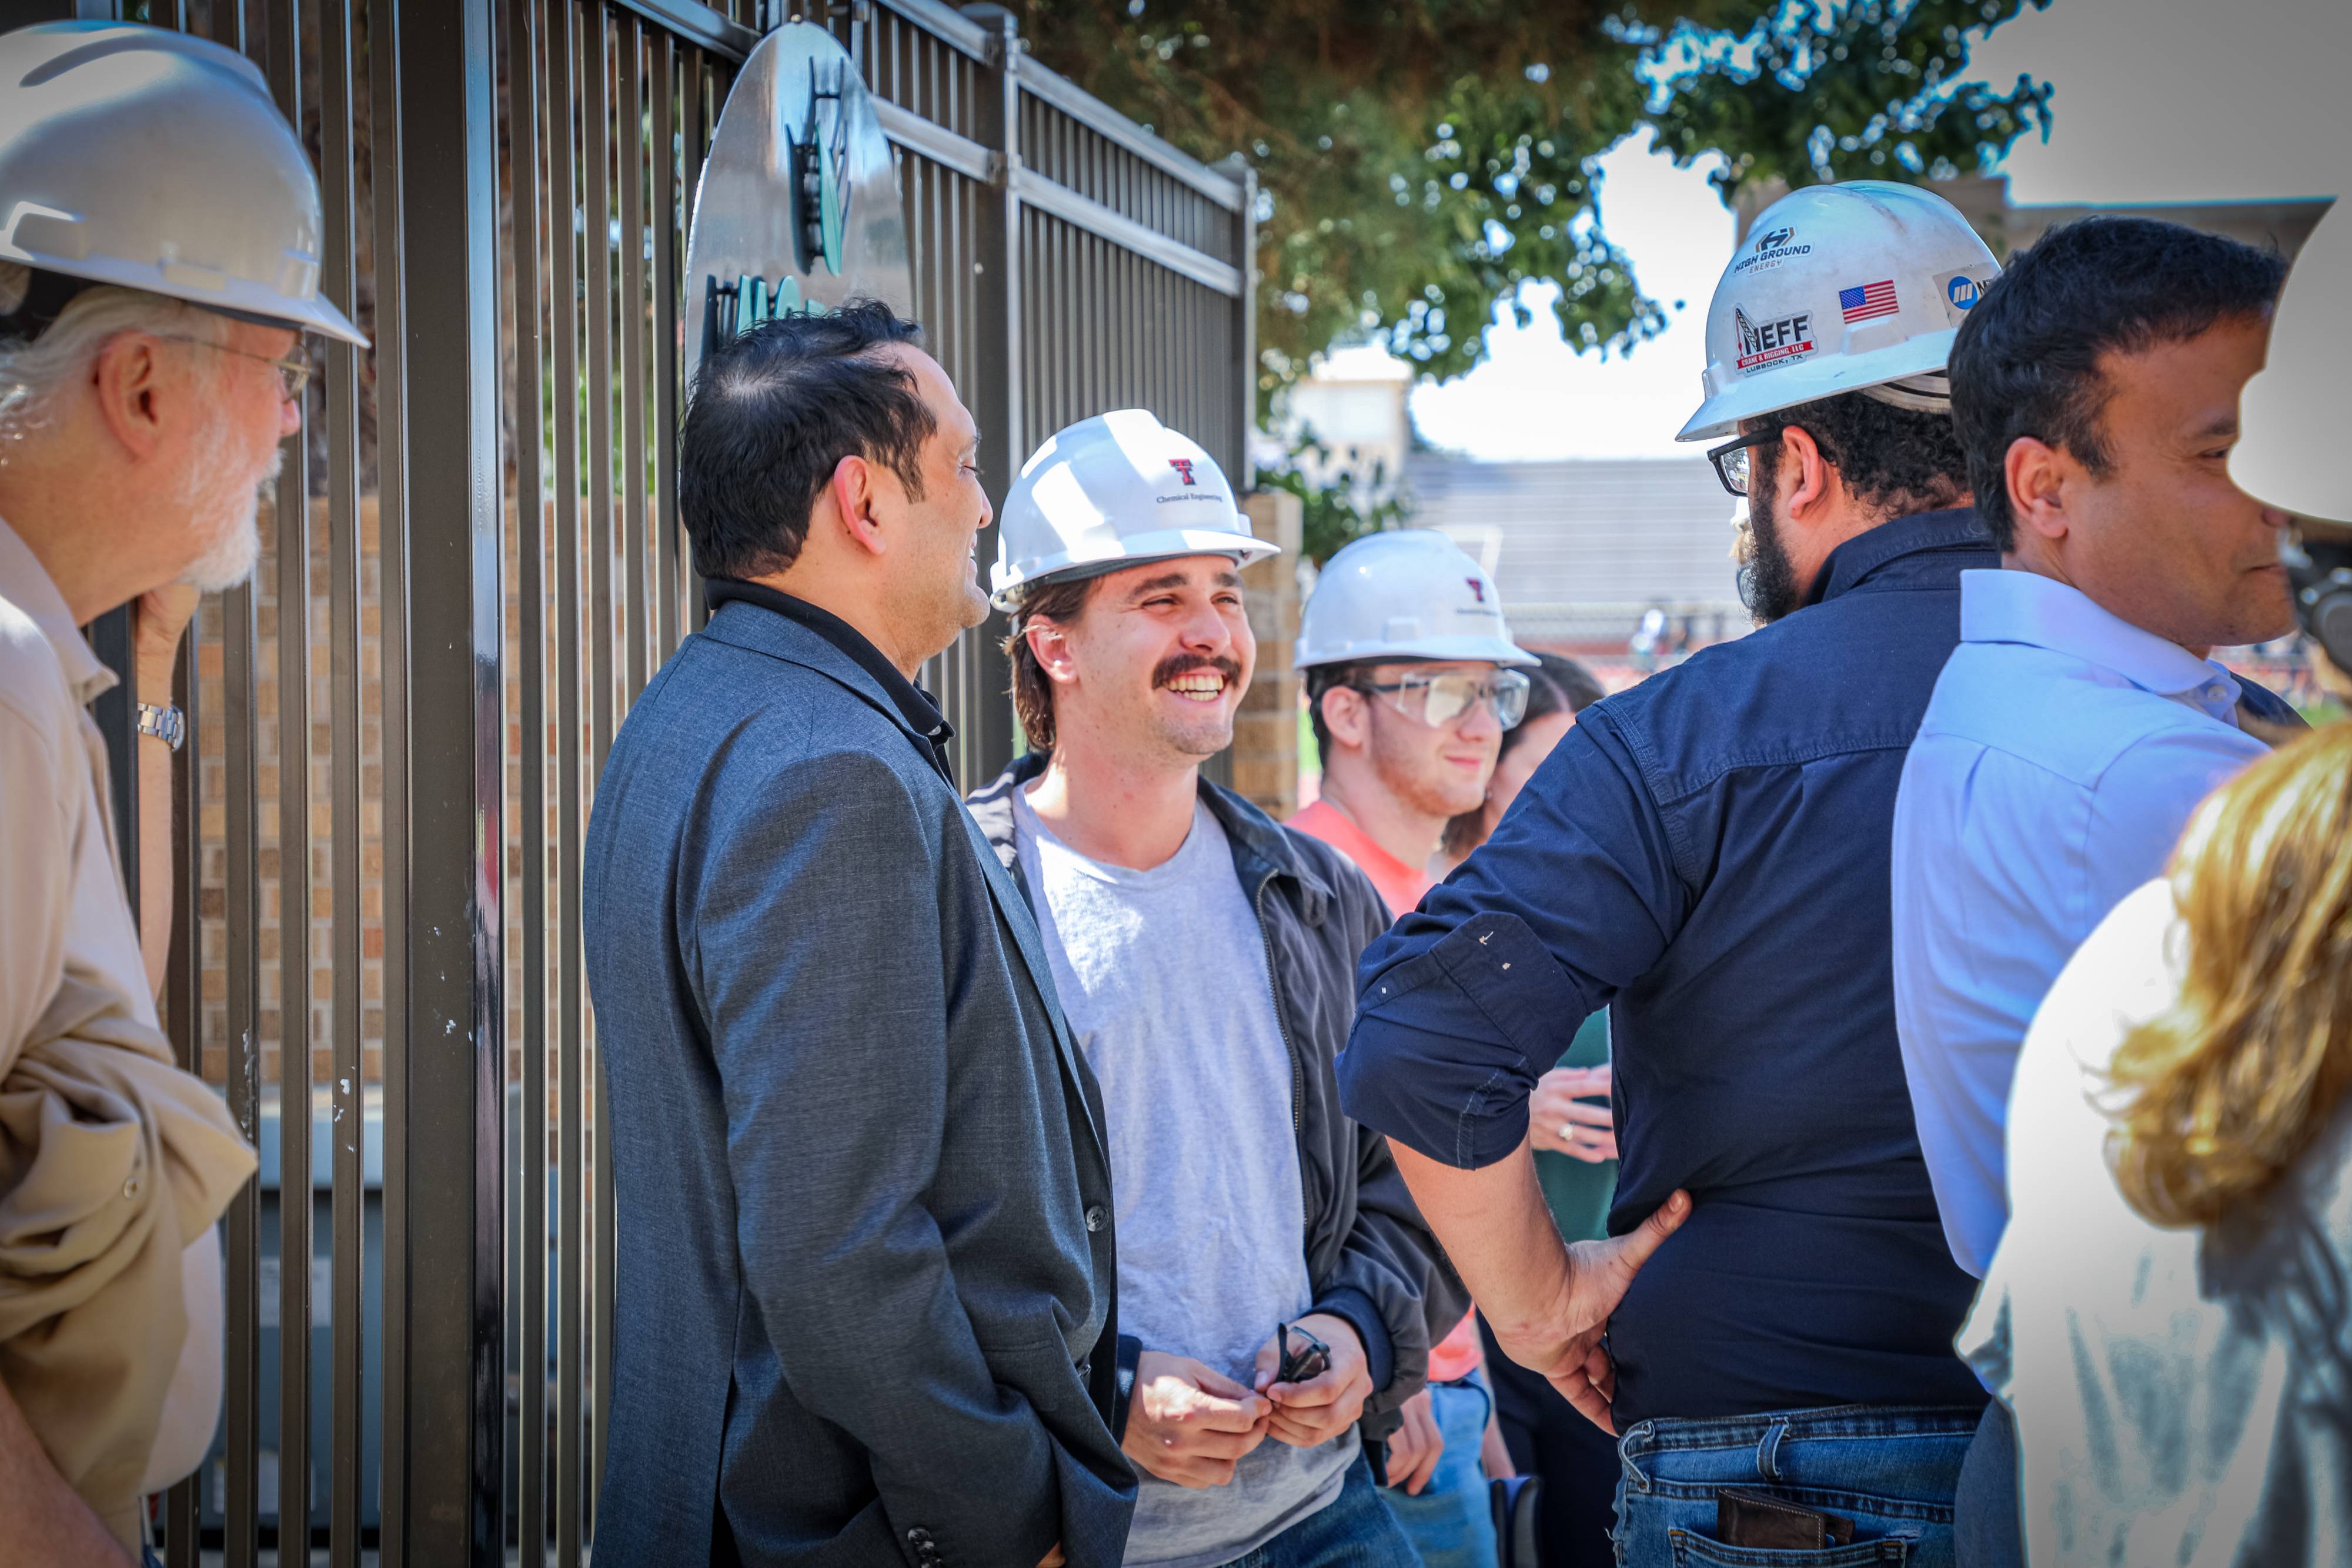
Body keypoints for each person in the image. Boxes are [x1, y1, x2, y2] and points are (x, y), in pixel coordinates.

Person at [1339, 180, 2010, 1568]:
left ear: (1797, 463)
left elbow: (1421, 1036)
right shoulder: (2180, 715)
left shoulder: (1681, 735)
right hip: (2108, 1433)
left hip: (1769, 1463)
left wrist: (1536, 1306)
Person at [582, 307, 1131, 1566]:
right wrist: (1007, 1515)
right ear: (864, 501)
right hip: (849, 1525)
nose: (985, 508)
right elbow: (839, 1250)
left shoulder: (694, 710)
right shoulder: (828, 767)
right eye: (965, 466)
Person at [965, 409, 1459, 1568]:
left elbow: (1415, 1175)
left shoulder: (1318, 896)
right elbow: (911, 1244)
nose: (1212, 633)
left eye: (1223, 594)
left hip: (1324, 1516)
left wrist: (1356, 1330)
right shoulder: (964, 903)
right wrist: (1113, 1393)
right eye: (1160, 598)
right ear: (1054, 644)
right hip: (1081, 1533)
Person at [1890, 217, 2304, 1556]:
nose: (2281, 496)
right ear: (2045, 487)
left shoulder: (2040, 706)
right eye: (2222, 451)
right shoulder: (2147, 768)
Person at [0, 21, 353, 1561]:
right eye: (280, 372)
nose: (289, 427)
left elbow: (95, 1020)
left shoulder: (35, 662)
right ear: (141, 387)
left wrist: (146, 672)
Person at [1288, 529, 1536, 1566]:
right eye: (1442, 692)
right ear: (1345, 711)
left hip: (1440, 1385)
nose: (1482, 723)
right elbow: (1308, 1175)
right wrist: (1406, 1371)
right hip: (1385, 1399)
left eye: (1494, 693)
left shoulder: (1425, 896)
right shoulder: (1296, 896)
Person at [1435, 654, 1626, 1568]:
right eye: (1541, 772)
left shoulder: (1626, 903)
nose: (1565, 798)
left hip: (1604, 1318)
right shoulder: (1439, 911)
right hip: (1476, 1319)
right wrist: (1513, 1110)